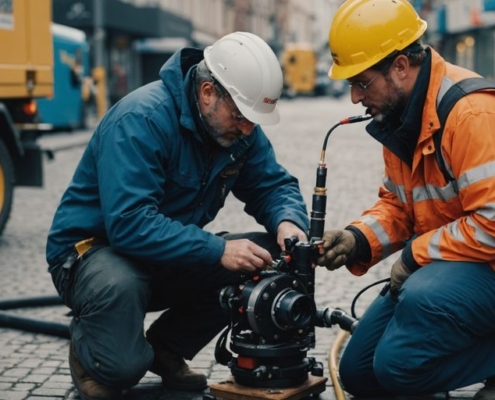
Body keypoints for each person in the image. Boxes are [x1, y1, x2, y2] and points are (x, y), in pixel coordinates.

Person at [46, 31, 309, 400]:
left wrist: (289, 223)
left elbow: (271, 185)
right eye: (241, 116)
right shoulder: (142, 119)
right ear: (207, 93)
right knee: (122, 367)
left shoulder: (237, 130)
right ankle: (92, 349)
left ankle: (167, 348)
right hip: (95, 256)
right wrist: (217, 251)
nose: (249, 128)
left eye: (253, 119)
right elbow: (129, 223)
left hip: (159, 253)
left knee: (263, 257)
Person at [317, 0, 495, 398]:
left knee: (400, 359)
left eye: (362, 82)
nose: (353, 97)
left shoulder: (470, 115)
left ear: (399, 66)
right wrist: (356, 238)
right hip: (452, 269)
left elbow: (493, 223)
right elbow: (399, 206)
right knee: (360, 371)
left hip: (479, 270)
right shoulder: (399, 118)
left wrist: (415, 255)